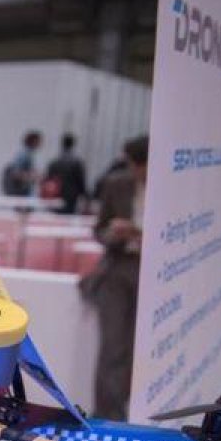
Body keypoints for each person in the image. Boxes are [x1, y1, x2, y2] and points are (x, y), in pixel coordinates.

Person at [81, 135, 147, 421]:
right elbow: (99, 230)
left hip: (154, 273)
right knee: (113, 347)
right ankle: (107, 417)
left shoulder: (173, 188)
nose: (138, 172)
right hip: (117, 269)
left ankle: (131, 415)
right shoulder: (116, 183)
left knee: (138, 349)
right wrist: (115, 233)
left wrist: (142, 234)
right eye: (135, 165)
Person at [46, 133, 87, 214]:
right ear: (73, 144)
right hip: (71, 195)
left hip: (56, 194)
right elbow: (80, 180)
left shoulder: (54, 161)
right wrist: (84, 194)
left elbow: (49, 179)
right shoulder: (77, 162)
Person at [1, 130, 42, 196]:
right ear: (34, 141)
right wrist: (32, 176)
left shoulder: (29, 154)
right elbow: (16, 173)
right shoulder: (24, 154)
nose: (40, 144)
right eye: (39, 141)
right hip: (19, 189)